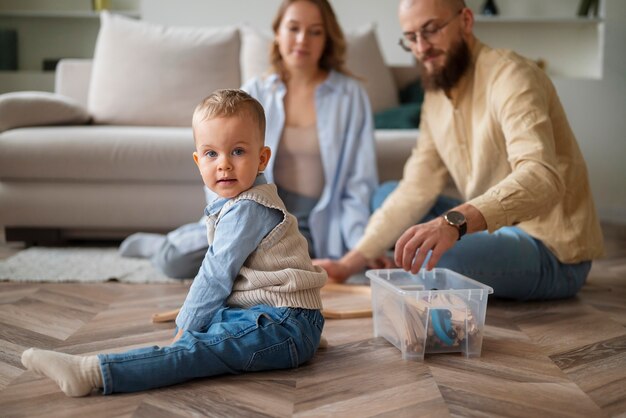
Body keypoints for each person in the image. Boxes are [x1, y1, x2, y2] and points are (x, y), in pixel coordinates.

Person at [20, 89, 327, 396]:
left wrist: (188, 327)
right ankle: (294, 339)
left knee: (195, 349)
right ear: (198, 160)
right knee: (215, 320)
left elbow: (215, 273)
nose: (224, 165)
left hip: (287, 321)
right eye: (211, 154)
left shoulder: (248, 207)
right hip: (284, 316)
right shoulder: (242, 202)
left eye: (237, 151)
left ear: (261, 158)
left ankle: (92, 372)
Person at [316, 0, 605, 300]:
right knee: (385, 195)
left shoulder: (513, 76)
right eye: (411, 38)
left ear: (466, 21)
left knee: (442, 259)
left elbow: (541, 178)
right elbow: (417, 186)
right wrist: (346, 265)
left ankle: (441, 269)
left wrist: (451, 223)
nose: (421, 47)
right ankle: (440, 268)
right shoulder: (436, 96)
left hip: (550, 250)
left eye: (430, 30)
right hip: (491, 232)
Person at [119, 0, 378, 279]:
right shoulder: (255, 91)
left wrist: (358, 248)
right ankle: (161, 245)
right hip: (255, 208)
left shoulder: (350, 95)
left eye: (315, 31)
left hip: (316, 223)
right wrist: (231, 220)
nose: (303, 39)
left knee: (300, 271)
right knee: (176, 262)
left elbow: (359, 180)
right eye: (293, 28)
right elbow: (220, 156)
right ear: (278, 33)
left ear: (327, 38)